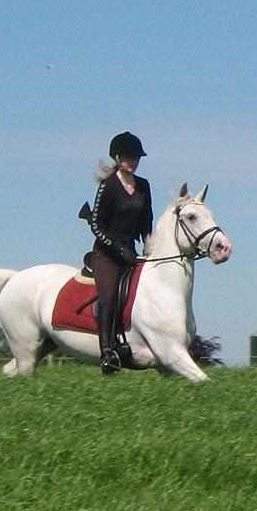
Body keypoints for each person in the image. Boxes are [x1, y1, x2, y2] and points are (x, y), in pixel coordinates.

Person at [89, 131, 153, 375]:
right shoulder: (108, 186)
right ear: (117, 157)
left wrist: (149, 247)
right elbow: (96, 225)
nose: (133, 162)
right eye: (128, 157)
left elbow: (147, 221)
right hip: (106, 254)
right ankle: (107, 352)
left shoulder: (144, 186)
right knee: (109, 296)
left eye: (136, 157)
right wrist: (117, 249)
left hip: (133, 253)